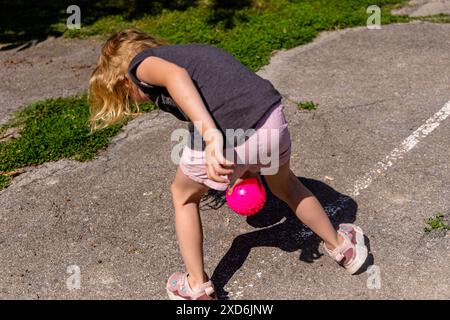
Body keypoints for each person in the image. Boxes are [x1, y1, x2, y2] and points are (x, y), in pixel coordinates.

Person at [88, 29, 368, 300]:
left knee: (183, 195)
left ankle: (196, 287)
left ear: (124, 81)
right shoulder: (187, 54)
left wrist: (211, 139)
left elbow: (176, 77)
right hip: (270, 117)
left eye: (126, 94)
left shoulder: (139, 65)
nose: (135, 100)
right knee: (286, 185)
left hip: (229, 133)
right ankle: (343, 248)